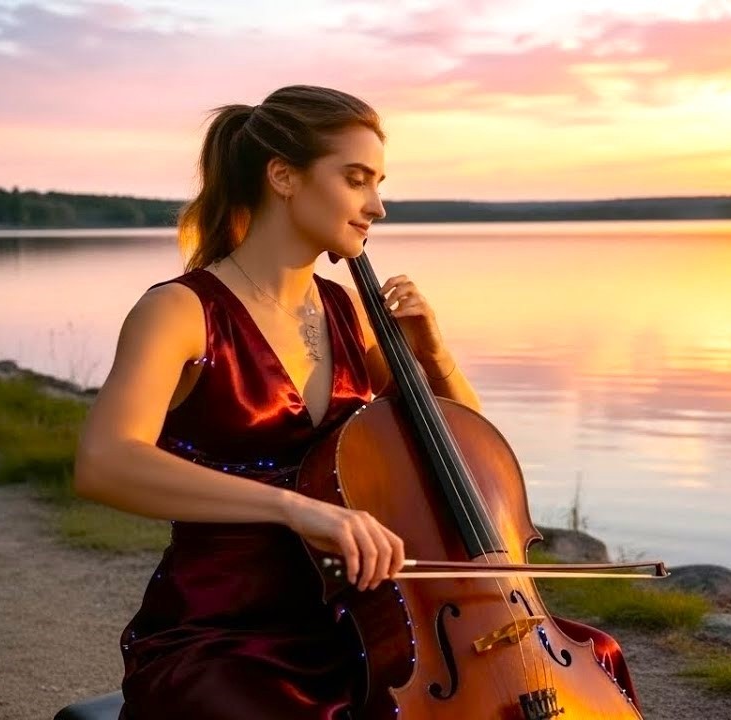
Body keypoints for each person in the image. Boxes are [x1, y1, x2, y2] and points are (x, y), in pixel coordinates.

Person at [73, 85, 639, 719]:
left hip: (362, 622)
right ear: (283, 177)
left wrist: (435, 353)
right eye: (356, 179)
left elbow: (470, 459)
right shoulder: (180, 311)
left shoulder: (346, 310)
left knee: (597, 658)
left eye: (379, 182)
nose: (377, 205)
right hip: (223, 632)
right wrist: (295, 510)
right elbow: (106, 463)